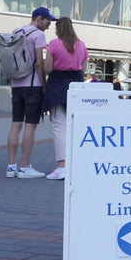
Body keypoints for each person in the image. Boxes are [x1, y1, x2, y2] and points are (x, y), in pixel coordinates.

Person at [5, 7, 55, 179]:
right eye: (48, 21)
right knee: (30, 126)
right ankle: (25, 167)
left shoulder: (16, 31)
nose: (49, 26)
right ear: (39, 18)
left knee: (15, 124)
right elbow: (40, 62)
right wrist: (44, 84)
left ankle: (11, 167)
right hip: (32, 84)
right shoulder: (38, 35)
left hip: (16, 84)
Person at [42, 17, 88, 180]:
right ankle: (76, 165)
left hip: (57, 86)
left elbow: (48, 68)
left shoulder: (54, 44)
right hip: (76, 85)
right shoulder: (81, 44)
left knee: (59, 127)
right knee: (75, 127)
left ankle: (62, 167)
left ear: (58, 29)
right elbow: (83, 69)